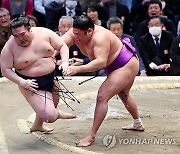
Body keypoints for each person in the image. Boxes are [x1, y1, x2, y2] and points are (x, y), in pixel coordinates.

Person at [61, 14, 145, 147]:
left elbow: (100, 62)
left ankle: (91, 135)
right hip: (113, 65)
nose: (75, 37)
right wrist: (54, 58)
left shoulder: (100, 37)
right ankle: (138, 124)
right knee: (124, 94)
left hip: (126, 63)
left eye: (78, 35)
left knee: (102, 96)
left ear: (89, 31)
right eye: (74, 33)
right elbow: (59, 44)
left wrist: (76, 69)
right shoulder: (75, 32)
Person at [1, 16, 76, 133]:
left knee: (53, 104)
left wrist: (65, 62)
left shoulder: (44, 33)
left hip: (51, 79)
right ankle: (57, 114)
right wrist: (22, 82)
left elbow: (62, 46)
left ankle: (37, 126)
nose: (20, 39)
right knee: (50, 115)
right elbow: (5, 69)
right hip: (30, 84)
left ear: (29, 28)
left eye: (22, 34)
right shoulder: (10, 47)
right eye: (16, 36)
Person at [0, 7, 11, 77]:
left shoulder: (16, 28)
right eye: (0, 17)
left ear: (9, 16)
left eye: (4, 15)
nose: (3, 18)